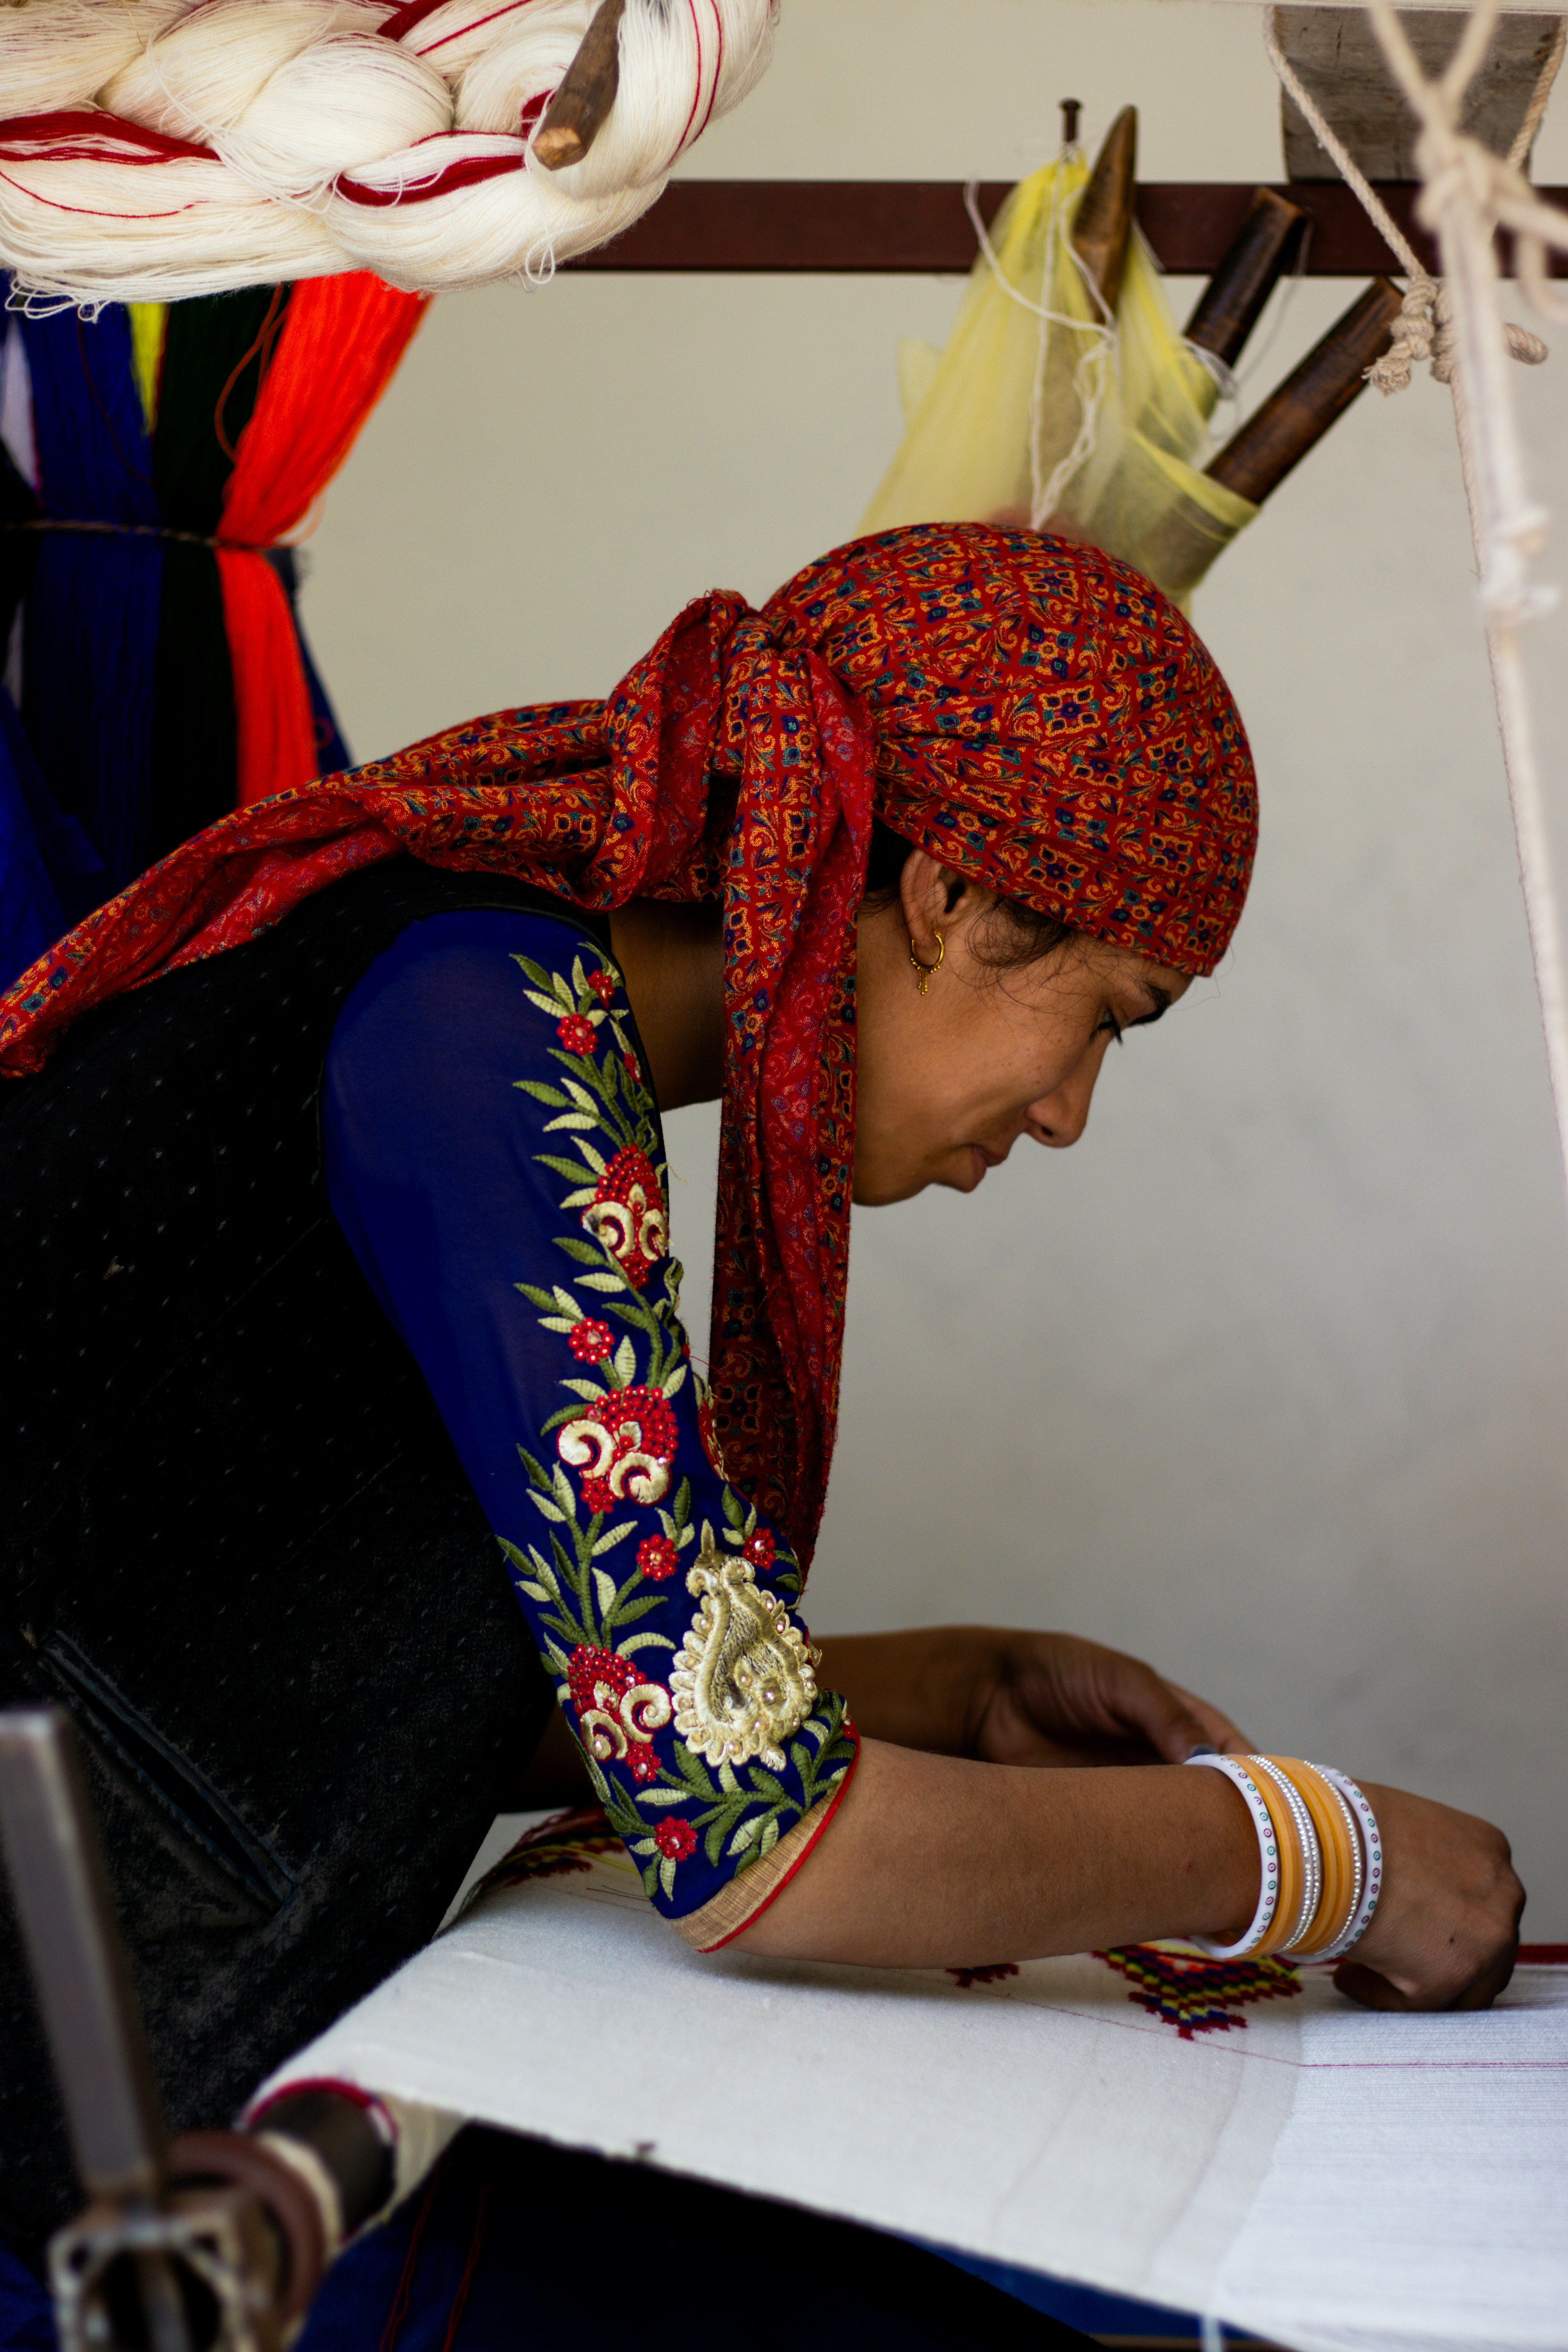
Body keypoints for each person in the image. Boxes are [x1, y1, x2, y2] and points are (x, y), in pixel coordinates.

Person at [0, 524, 1522, 2348]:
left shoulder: (488, 1009)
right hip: (89, 2181)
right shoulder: (479, 1037)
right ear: (951, 891)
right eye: (1100, 1018)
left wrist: (950, 1688)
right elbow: (765, 1854)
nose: (1068, 1114)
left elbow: (389, 1678)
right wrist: (1303, 1855)